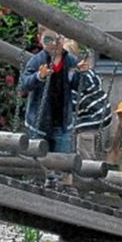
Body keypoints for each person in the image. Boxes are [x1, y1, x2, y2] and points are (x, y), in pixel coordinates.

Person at [21, 27, 83, 189]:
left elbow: (77, 84)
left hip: (62, 119)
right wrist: (39, 76)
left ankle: (66, 185)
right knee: (39, 153)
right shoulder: (37, 61)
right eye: (49, 40)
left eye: (59, 39)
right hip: (40, 120)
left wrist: (81, 74)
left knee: (64, 155)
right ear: (40, 39)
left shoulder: (70, 61)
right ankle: (47, 179)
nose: (54, 44)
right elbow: (25, 83)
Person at [64, 43, 112, 159]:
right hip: (101, 112)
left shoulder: (77, 78)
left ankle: (87, 170)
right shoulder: (85, 73)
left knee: (83, 144)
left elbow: (73, 104)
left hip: (94, 116)